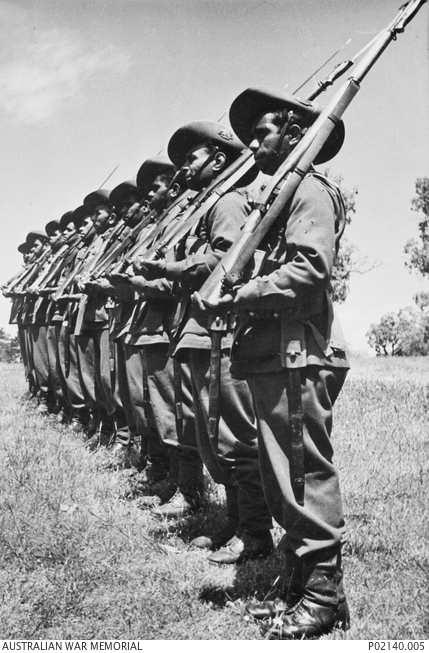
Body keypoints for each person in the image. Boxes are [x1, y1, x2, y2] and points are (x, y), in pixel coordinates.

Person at [209, 86, 350, 636]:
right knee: (281, 478)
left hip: (298, 352)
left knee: (303, 473)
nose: (252, 143)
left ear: (293, 133)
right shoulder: (279, 198)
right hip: (275, 353)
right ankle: (297, 587)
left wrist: (238, 293)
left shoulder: (310, 190)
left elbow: (310, 269)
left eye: (262, 131)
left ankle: (323, 597)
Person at [135, 120, 273, 564]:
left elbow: (224, 259)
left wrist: (168, 270)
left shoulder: (227, 202)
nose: (185, 167)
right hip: (197, 331)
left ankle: (255, 533)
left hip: (221, 331)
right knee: (214, 438)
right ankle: (235, 523)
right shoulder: (210, 204)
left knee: (234, 436)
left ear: (217, 160)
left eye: (192, 158)